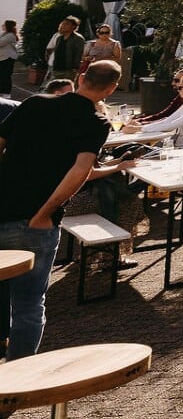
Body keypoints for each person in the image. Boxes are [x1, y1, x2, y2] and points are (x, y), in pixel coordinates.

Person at [0, 61, 133, 359]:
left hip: (5, 208)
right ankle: (16, 383)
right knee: (29, 304)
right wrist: (46, 212)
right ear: (111, 89)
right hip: (36, 224)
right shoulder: (96, 123)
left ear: (81, 77)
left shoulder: (34, 103)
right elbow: (81, 170)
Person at [122, 72, 183, 148]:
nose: (178, 90)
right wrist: (142, 125)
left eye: (180, 87)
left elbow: (171, 125)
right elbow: (168, 119)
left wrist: (139, 129)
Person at [0, 19, 17, 90]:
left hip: (8, 58)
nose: (2, 26)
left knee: (5, 76)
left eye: (4, 25)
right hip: (3, 58)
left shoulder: (10, 35)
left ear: (8, 26)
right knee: (2, 76)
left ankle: (6, 93)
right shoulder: (4, 34)